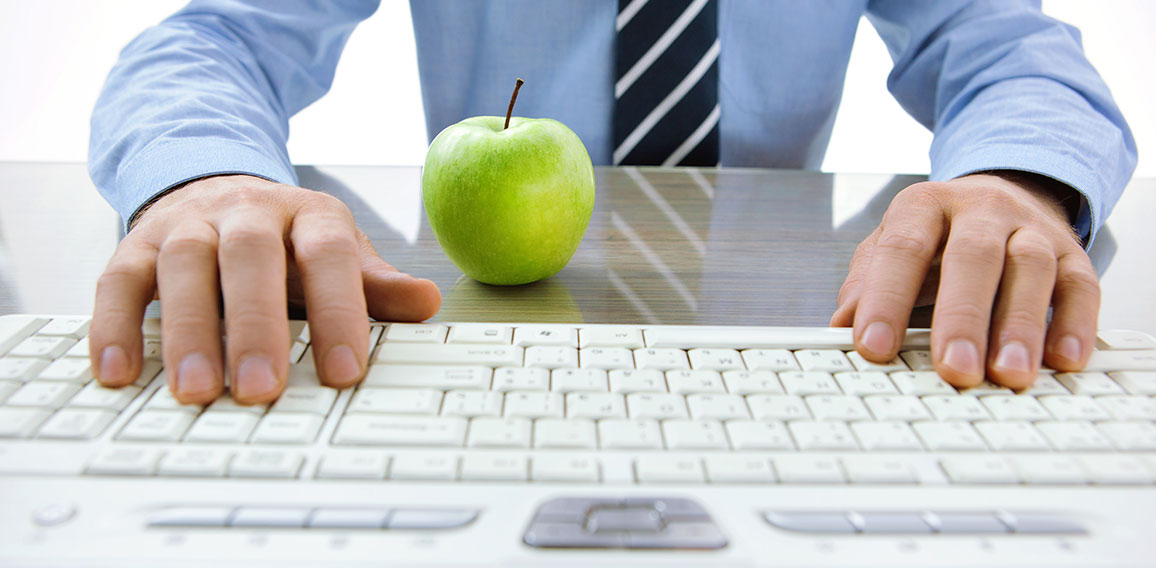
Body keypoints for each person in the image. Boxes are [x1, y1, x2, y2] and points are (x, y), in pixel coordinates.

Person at [86, 0, 1136, 405]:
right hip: (482, 349)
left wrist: (1014, 180)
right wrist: (206, 172)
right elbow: (209, 40)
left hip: (776, 343)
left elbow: (1015, 54)